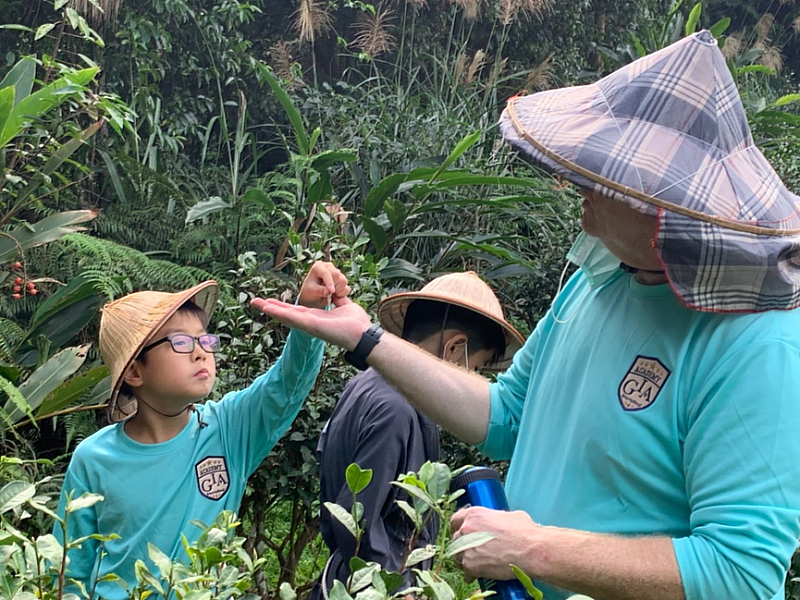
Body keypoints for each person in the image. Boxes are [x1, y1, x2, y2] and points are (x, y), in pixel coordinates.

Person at [251, 32, 800, 600]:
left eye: (599, 172)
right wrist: (367, 339)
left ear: (656, 200)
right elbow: (507, 412)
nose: (576, 182)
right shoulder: (598, 280)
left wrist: (534, 550)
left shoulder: (756, 340)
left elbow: (742, 573)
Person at [54, 261, 349, 599]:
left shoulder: (229, 431)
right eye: (180, 342)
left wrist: (311, 309)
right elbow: (67, 571)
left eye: (205, 340)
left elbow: (288, 383)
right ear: (134, 372)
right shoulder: (93, 459)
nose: (200, 353)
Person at [312, 272, 524, 600]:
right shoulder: (397, 407)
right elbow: (358, 521)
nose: (473, 380)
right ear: (455, 348)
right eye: (476, 369)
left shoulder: (367, 384)